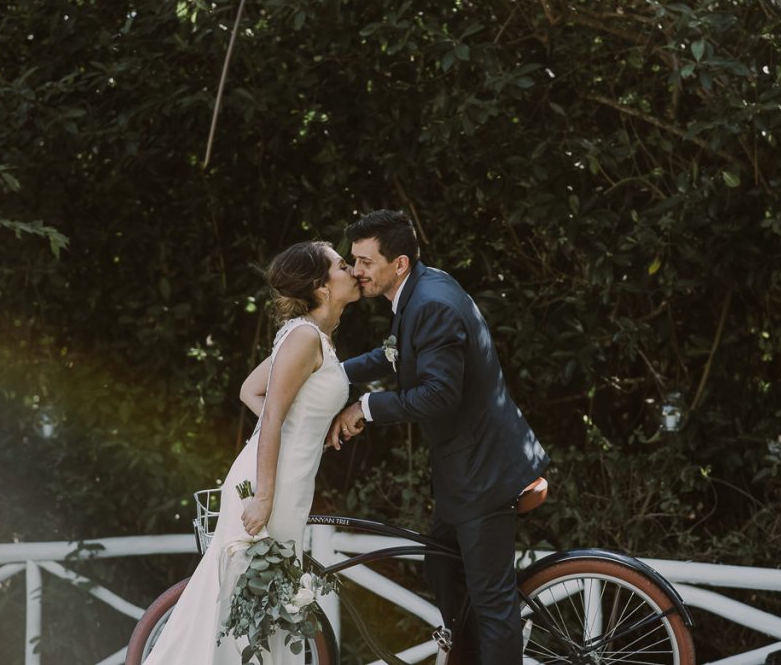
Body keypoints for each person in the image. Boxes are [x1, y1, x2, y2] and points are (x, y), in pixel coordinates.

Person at [331, 210, 549, 665]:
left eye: (366, 262)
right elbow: (393, 354)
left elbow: (437, 396)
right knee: (443, 569)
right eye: (353, 260)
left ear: (400, 263)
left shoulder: (429, 303)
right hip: (462, 468)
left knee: (492, 604)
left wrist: (365, 408)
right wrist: (326, 376)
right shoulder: (419, 291)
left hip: (483, 472)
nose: (356, 271)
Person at [144, 241, 360, 664]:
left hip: (286, 485)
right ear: (320, 285)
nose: (351, 269)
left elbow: (252, 392)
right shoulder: (302, 337)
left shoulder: (313, 337)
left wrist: (310, 432)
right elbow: (273, 418)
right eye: (341, 264)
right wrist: (262, 496)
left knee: (267, 614)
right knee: (248, 613)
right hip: (268, 490)